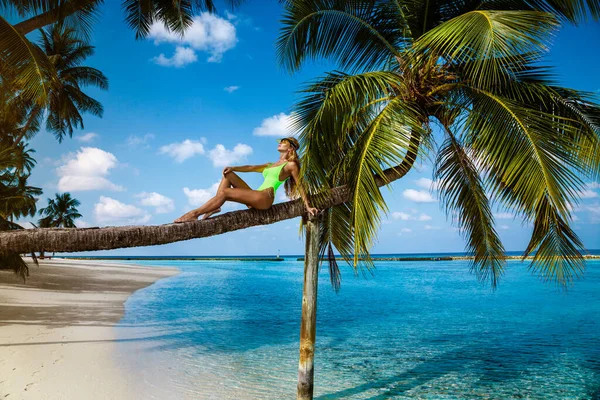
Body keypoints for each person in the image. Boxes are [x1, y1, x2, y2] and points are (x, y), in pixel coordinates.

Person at [174, 137, 319, 223]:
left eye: (283, 142)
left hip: (265, 198)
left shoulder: (291, 165)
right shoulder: (270, 165)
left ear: (290, 149)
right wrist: (234, 168)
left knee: (225, 192)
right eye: (280, 142)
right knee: (228, 175)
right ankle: (216, 206)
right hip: (256, 195)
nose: (280, 143)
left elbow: (300, 184)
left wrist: (307, 206)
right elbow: (251, 167)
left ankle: (194, 214)